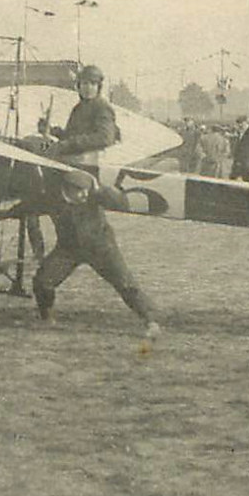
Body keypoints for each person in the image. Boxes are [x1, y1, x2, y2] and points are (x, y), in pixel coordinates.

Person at [28, 65, 159, 339]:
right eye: (83, 83)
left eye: (91, 84)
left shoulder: (102, 108)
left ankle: (150, 321)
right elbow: (73, 138)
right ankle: (47, 318)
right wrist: (53, 131)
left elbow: (104, 137)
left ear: (99, 86)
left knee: (125, 283)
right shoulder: (78, 109)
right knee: (42, 282)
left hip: (98, 238)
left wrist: (64, 145)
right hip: (70, 243)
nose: (86, 88)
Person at [229, 116, 249, 182]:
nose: (239, 125)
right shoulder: (240, 133)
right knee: (232, 179)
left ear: (245, 122)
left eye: (241, 123)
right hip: (238, 161)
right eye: (238, 123)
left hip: (246, 162)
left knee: (246, 179)